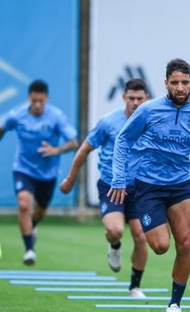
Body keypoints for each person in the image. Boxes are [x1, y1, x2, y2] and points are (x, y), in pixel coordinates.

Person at [108, 58, 190, 312]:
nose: (180, 87)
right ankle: (152, 227)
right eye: (175, 83)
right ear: (166, 84)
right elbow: (123, 139)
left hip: (180, 186)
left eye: (184, 82)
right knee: (160, 246)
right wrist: (119, 178)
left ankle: (174, 304)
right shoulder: (149, 110)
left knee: (186, 243)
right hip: (148, 186)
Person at [59, 78, 150, 297]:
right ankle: (115, 245)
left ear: (146, 98)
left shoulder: (151, 122)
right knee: (114, 230)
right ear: (124, 98)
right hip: (111, 186)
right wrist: (71, 178)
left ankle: (135, 286)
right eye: (131, 98)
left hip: (139, 189)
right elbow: (84, 150)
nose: (136, 102)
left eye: (140, 98)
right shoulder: (108, 122)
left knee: (141, 236)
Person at [0, 80, 78, 266]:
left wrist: (56, 150)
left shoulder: (56, 116)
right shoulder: (17, 115)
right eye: (34, 100)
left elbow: (74, 143)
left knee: (40, 212)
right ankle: (29, 250)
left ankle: (32, 226)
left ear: (46, 98)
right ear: (29, 98)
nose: (37, 105)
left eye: (41, 101)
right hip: (23, 169)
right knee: (24, 205)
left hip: (47, 173)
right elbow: (0, 130)